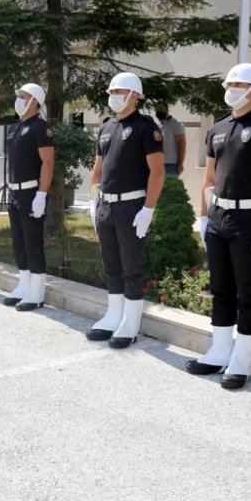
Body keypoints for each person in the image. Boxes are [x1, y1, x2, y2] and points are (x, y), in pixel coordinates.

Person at [185, 63, 251, 390]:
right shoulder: (218, 128)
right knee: (220, 288)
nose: (232, 89)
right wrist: (204, 216)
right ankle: (219, 351)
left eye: (240, 84)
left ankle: (243, 361)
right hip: (219, 216)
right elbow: (209, 178)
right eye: (230, 84)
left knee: (248, 291)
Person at [85, 73, 165, 346]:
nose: (114, 96)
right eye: (112, 91)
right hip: (106, 205)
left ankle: (130, 324)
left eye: (119, 91)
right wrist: (93, 201)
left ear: (135, 96)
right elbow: (98, 169)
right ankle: (114, 316)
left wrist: (148, 209)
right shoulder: (107, 127)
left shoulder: (146, 128)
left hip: (132, 206)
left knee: (131, 266)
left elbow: (157, 172)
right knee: (111, 265)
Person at [2, 83, 54, 310]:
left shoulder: (41, 128)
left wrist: (41, 195)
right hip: (14, 191)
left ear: (34, 101)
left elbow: (48, 163)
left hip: (32, 191)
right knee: (18, 241)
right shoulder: (14, 127)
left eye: (23, 96)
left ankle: (37, 291)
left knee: (33, 241)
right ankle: (24, 284)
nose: (19, 100)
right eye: (19, 96)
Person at [155, 102, 186, 176]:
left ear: (167, 110)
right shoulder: (156, 125)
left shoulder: (176, 124)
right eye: (158, 109)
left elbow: (182, 144)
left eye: (162, 109)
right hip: (157, 163)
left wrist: (180, 164)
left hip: (171, 165)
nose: (160, 110)